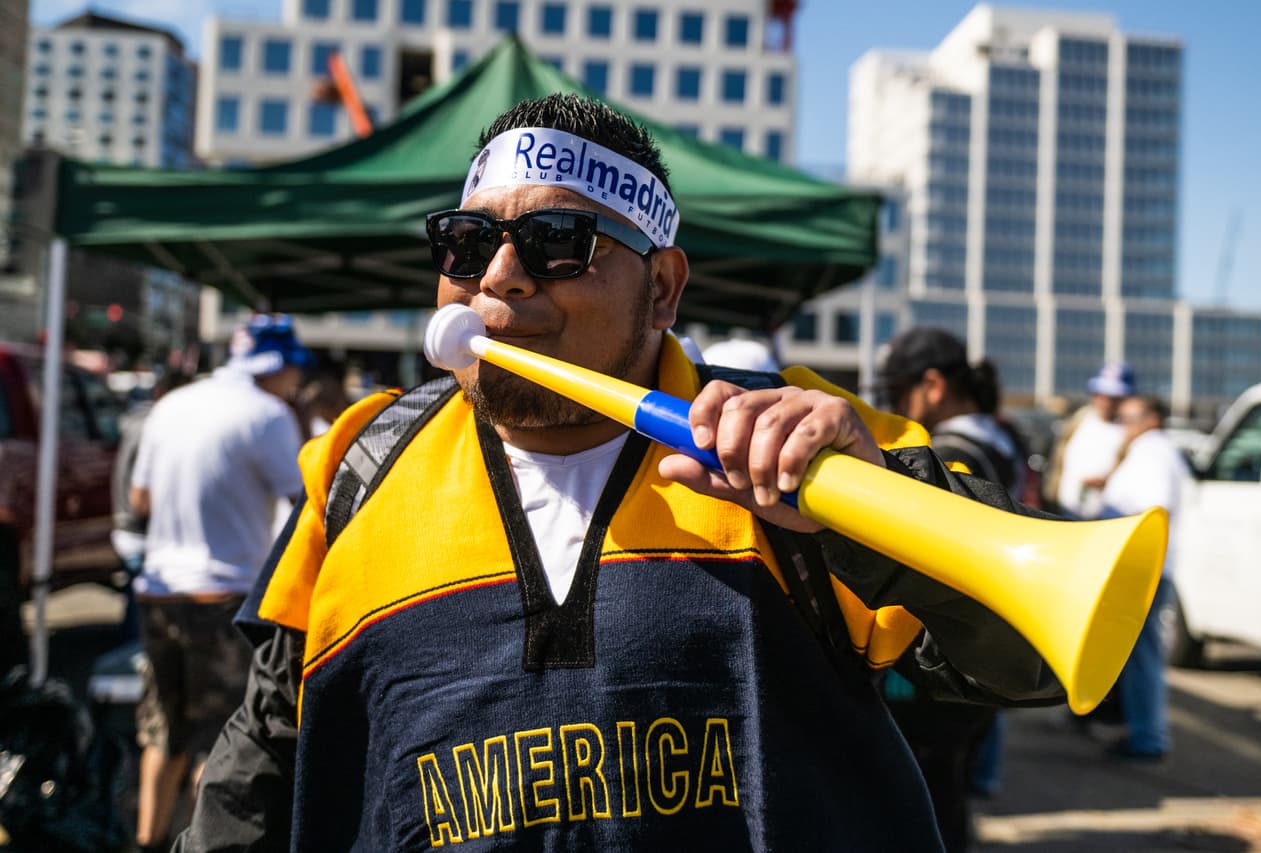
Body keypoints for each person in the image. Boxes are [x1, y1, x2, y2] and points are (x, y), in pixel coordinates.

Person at [177, 93, 1065, 851]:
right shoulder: (361, 463)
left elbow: (1031, 658)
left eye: (557, 240)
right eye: (466, 241)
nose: (500, 277)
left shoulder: (806, 440)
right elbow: (268, 748)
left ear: (664, 289)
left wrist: (872, 513)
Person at [128, 315, 310, 853]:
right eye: (292, 373)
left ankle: (147, 841)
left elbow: (139, 501)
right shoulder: (268, 414)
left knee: (161, 733)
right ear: (275, 367)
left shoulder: (172, 404)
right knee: (224, 741)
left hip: (160, 592)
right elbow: (306, 502)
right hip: (223, 594)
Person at [875, 327, 1028, 851]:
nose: (894, 406)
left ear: (933, 386)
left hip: (949, 645)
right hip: (991, 641)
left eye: (898, 392)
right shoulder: (1004, 437)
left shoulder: (950, 451)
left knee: (930, 789)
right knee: (952, 779)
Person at [1097, 394, 1190, 761]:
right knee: (1138, 655)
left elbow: (1154, 508)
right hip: (1143, 567)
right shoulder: (1151, 451)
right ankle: (1143, 732)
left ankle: (1148, 737)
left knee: (1142, 655)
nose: (1123, 425)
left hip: (1141, 569)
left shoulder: (1152, 452)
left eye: (1129, 417)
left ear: (1151, 419)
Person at [110, 368, 190, 643]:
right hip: (139, 530)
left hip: (126, 526)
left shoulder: (136, 420)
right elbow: (142, 495)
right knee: (142, 619)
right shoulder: (156, 423)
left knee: (135, 606)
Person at [1045, 363, 1134, 519]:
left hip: (1104, 518)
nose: (1106, 401)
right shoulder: (1079, 420)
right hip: (1062, 511)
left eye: (1113, 397)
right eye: (1101, 394)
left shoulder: (1128, 432)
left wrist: (1108, 482)